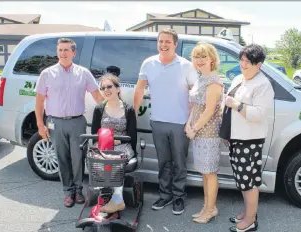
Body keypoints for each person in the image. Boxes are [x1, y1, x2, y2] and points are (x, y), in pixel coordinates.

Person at [133, 28, 198, 215]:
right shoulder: (148, 64)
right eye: (160, 41)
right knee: (164, 162)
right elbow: (139, 90)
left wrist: (191, 120)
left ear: (175, 44)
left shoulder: (186, 65)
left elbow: (195, 95)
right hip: (158, 121)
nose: (163, 45)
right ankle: (165, 195)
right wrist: (134, 114)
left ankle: (178, 197)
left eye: (167, 42)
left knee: (179, 162)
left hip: (180, 123)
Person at [35, 38, 105, 208]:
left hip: (77, 122)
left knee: (78, 157)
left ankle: (79, 190)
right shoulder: (47, 74)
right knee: (62, 158)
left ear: (74, 53)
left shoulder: (83, 73)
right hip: (55, 123)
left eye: (67, 50)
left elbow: (97, 96)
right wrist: (40, 125)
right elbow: (39, 101)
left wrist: (113, 109)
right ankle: (68, 192)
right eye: (60, 50)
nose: (63, 53)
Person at [219, 44, 274, 232]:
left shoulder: (263, 85)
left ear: (259, 65)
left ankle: (250, 220)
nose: (243, 64)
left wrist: (236, 104)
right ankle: (248, 212)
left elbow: (258, 114)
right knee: (242, 179)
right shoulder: (238, 78)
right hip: (237, 137)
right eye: (241, 60)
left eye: (248, 62)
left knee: (248, 181)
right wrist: (227, 134)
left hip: (249, 140)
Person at [185, 42, 224, 223]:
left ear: (212, 59)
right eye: (196, 57)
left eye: (203, 57)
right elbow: (195, 106)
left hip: (208, 134)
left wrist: (194, 128)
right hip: (198, 133)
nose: (199, 61)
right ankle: (207, 207)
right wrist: (188, 124)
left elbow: (209, 111)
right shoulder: (201, 79)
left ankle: (210, 210)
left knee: (210, 173)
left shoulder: (214, 82)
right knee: (204, 173)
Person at [91, 73, 137, 213]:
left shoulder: (128, 109)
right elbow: (94, 135)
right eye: (103, 88)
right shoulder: (99, 109)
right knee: (97, 156)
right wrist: (105, 142)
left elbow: (131, 136)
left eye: (109, 86)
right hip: (104, 145)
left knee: (115, 159)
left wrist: (116, 140)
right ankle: (103, 191)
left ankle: (117, 199)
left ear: (118, 88)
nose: (106, 90)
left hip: (123, 145)